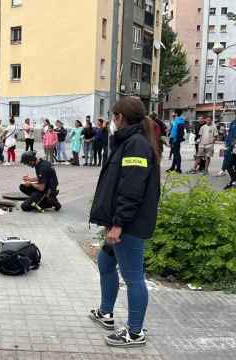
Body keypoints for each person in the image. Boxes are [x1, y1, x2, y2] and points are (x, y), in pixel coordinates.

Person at [89, 96, 161, 348]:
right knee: (105, 262)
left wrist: (118, 224)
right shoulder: (128, 141)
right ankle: (106, 312)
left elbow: (131, 189)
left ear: (120, 118)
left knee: (133, 278)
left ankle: (135, 332)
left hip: (129, 224)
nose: (111, 121)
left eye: (113, 116)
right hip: (119, 221)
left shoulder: (136, 145)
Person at [220, 118, 236, 183]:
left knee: (231, 164)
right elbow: (229, 134)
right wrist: (227, 143)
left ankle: (233, 181)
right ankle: (233, 180)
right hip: (230, 146)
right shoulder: (233, 122)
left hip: (233, 146)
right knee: (228, 163)